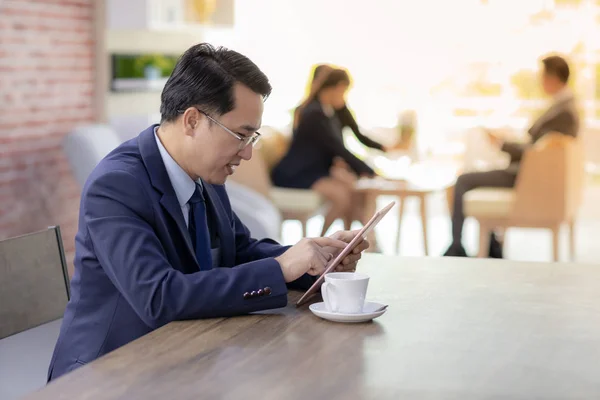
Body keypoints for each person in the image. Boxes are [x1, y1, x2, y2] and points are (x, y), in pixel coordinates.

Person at [47, 43, 368, 381]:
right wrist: (280, 268)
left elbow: (238, 250)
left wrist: (313, 261)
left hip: (183, 357)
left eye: (253, 138)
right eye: (241, 136)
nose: (246, 154)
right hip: (107, 375)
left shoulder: (204, 174)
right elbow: (158, 297)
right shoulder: (116, 186)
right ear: (192, 121)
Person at [443, 55, 580, 258]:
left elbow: (533, 151)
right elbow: (538, 144)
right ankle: (491, 247)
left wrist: (501, 143)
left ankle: (456, 247)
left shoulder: (564, 112)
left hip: (526, 175)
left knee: (463, 180)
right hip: (528, 171)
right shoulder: (564, 106)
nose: (539, 80)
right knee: (472, 176)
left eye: (542, 75)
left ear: (552, 77)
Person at [271, 68, 376, 236]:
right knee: (341, 197)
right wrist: (367, 170)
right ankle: (321, 242)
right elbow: (336, 147)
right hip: (296, 173)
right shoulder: (314, 113)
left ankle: (349, 240)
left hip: (314, 171)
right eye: (343, 91)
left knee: (352, 190)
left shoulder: (328, 112)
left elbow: (338, 146)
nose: (344, 96)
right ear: (335, 88)